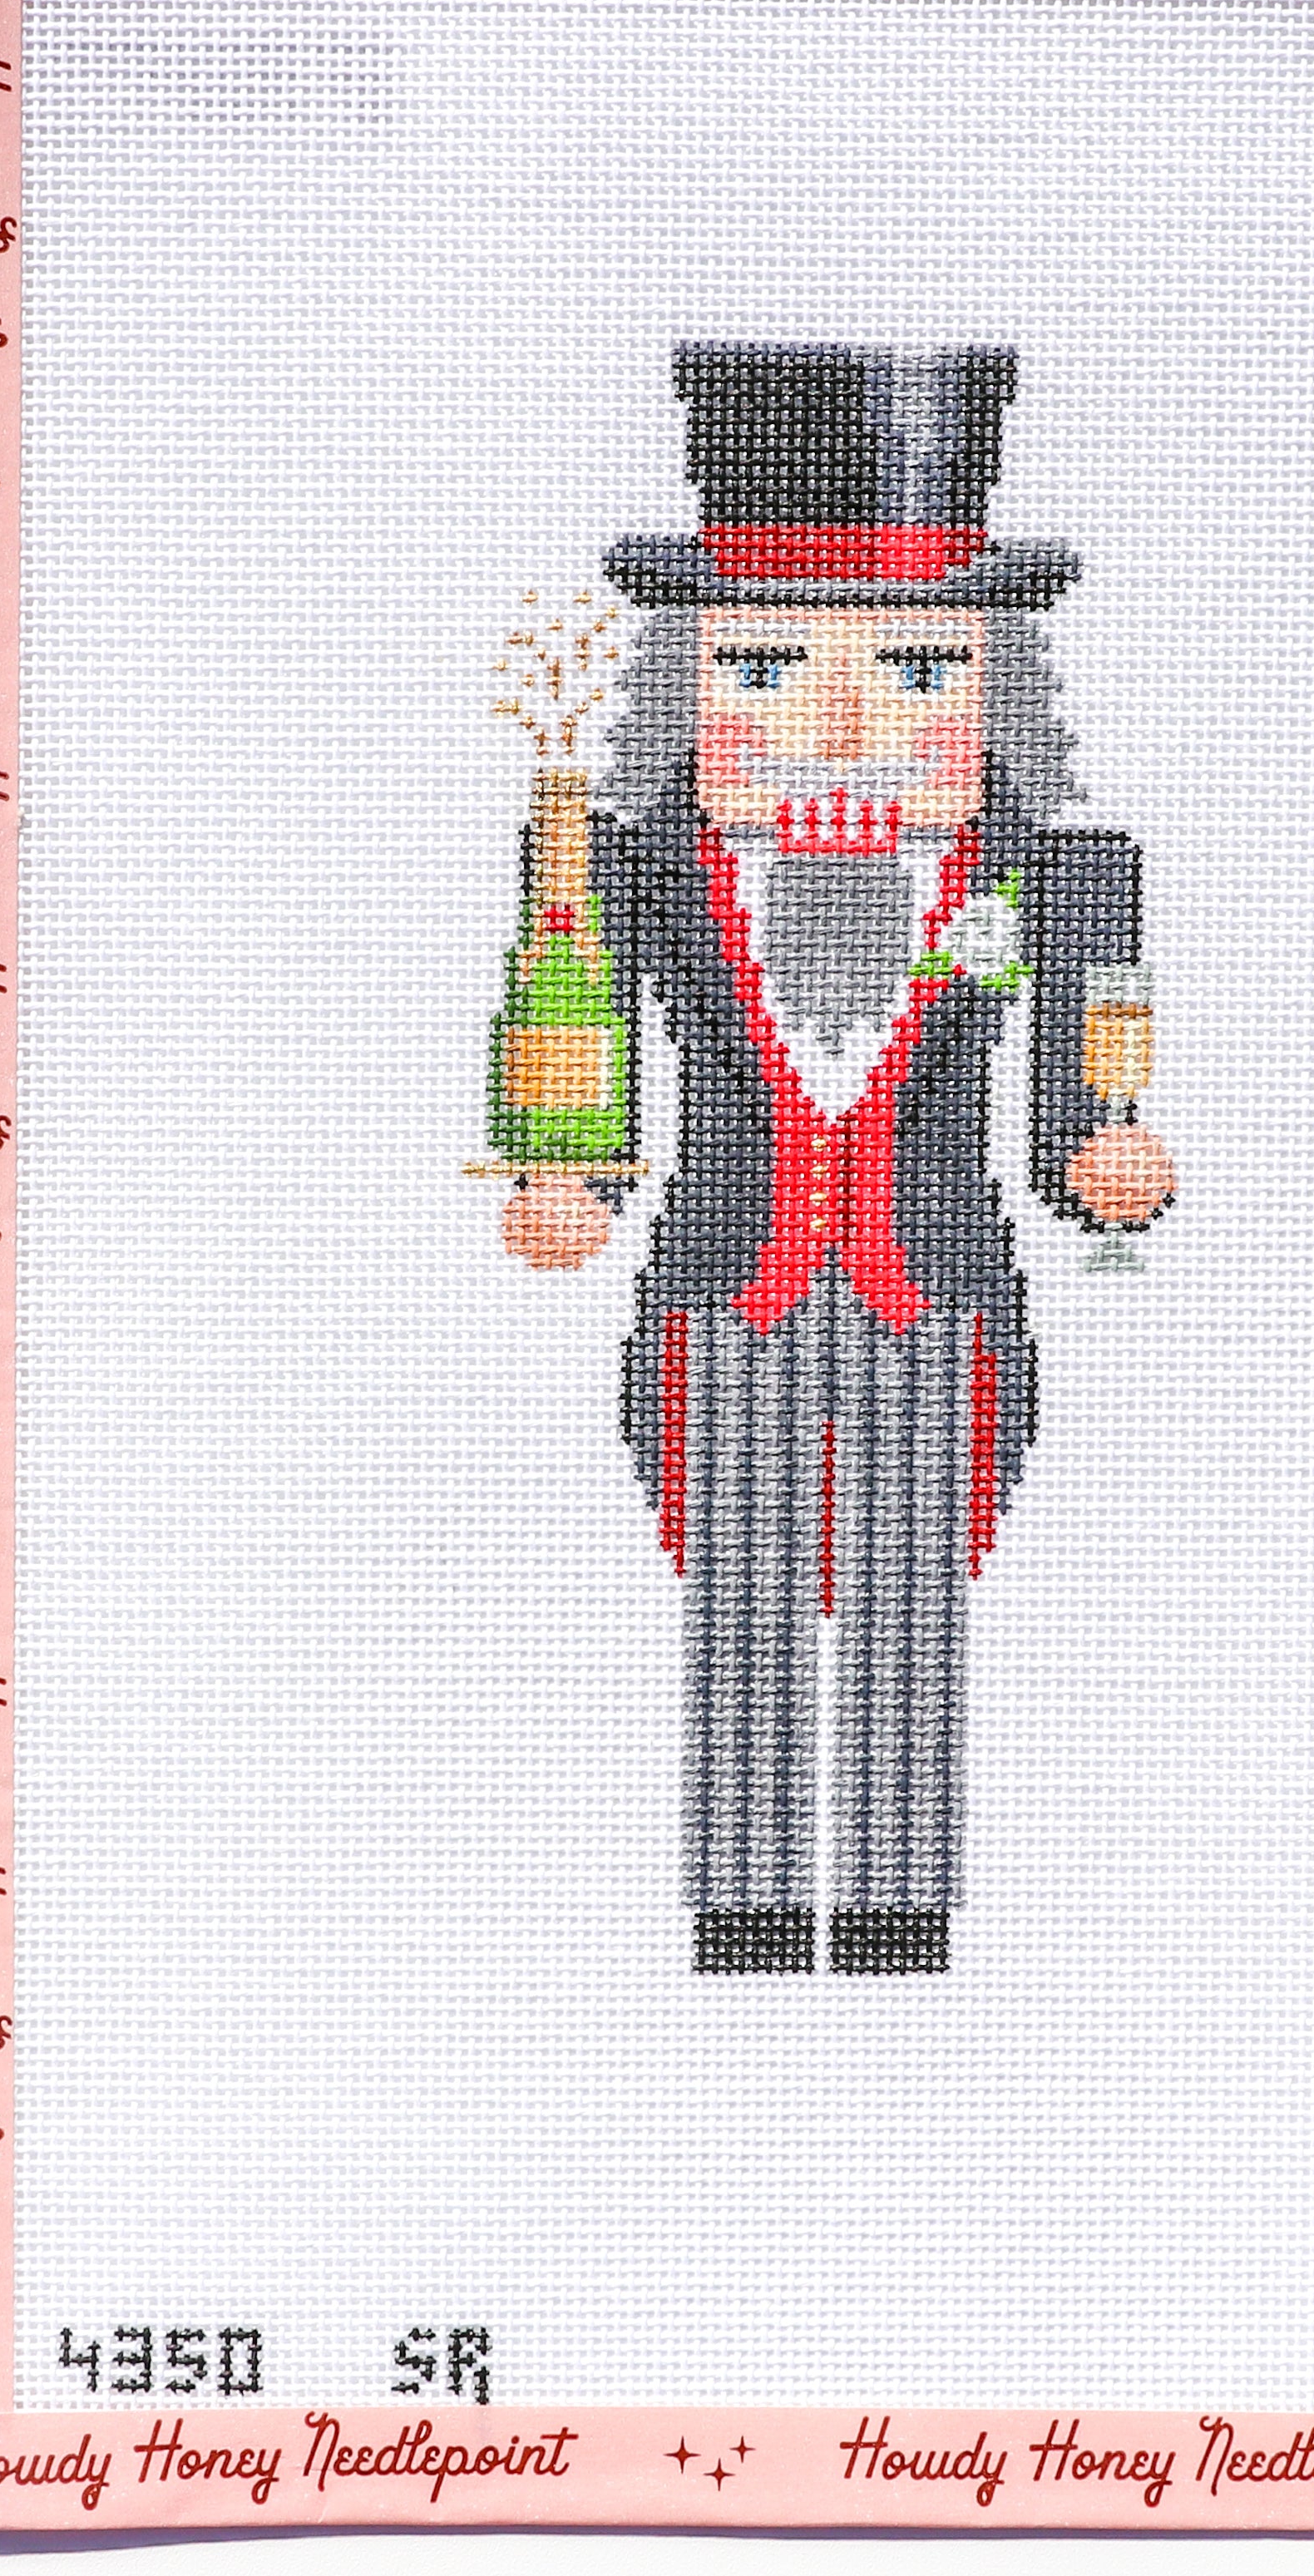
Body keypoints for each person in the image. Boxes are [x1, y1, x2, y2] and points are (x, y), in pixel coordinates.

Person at [499, 343, 1173, 1975]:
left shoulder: (1051, 877)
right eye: (768, 666)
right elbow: (574, 1028)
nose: (845, 719)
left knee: (911, 1606)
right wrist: (569, 1168)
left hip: (931, 1298)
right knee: (734, 1601)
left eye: (920, 670)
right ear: (687, 691)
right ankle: (740, 1910)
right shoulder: (619, 866)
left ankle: (893, 1912)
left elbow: (1090, 1052)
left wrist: (1101, 1151)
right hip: (726, 1287)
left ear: (999, 694)